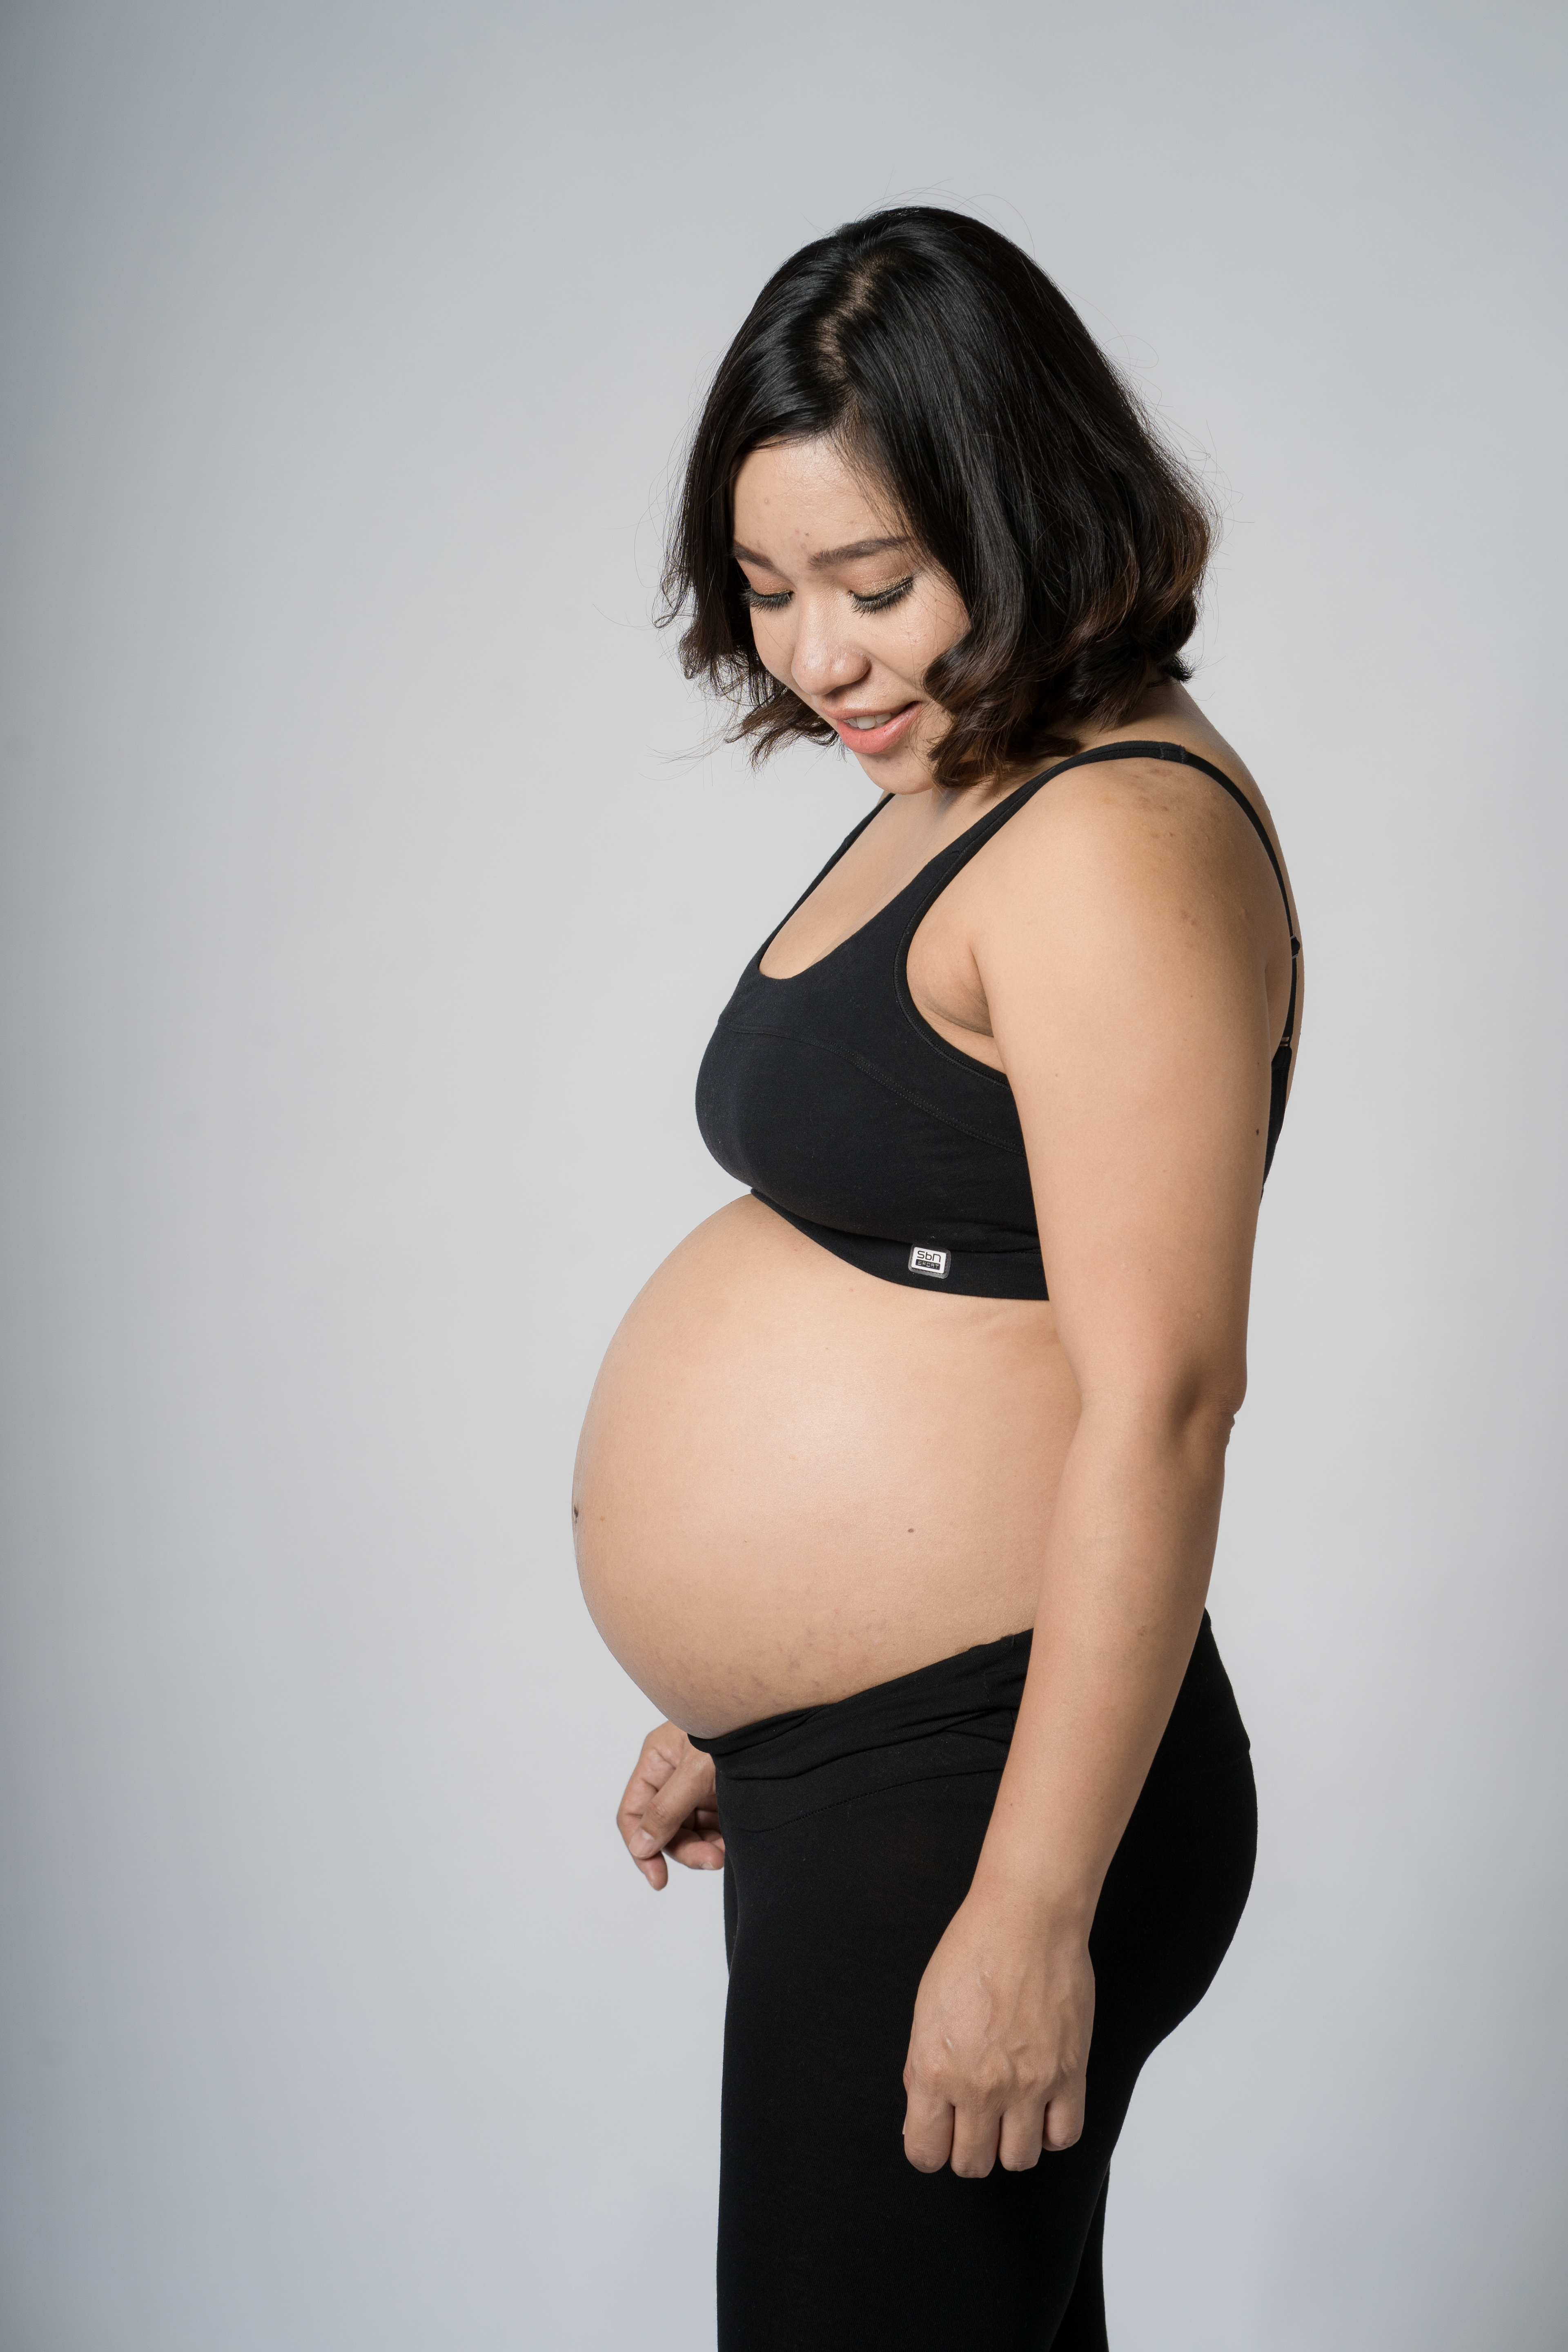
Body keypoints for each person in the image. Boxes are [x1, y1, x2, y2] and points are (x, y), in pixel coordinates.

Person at [572, 207, 1300, 2351]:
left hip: (986, 1792)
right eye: (770, 588)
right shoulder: (971, 778)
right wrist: (764, 1700)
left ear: (1025, 509)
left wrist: (1031, 1906)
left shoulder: (1111, 840)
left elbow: (1165, 1398)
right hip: (886, 1767)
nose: (821, 657)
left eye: (876, 585)